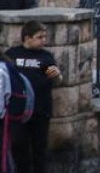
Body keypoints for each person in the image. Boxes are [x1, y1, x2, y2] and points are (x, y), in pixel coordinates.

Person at [6, 22, 62, 173]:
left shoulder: (46, 56)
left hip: (40, 111)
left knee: (40, 149)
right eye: (39, 37)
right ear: (27, 38)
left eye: (45, 37)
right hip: (19, 112)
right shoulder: (12, 54)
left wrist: (56, 74)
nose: (44, 40)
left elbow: (57, 79)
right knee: (19, 149)